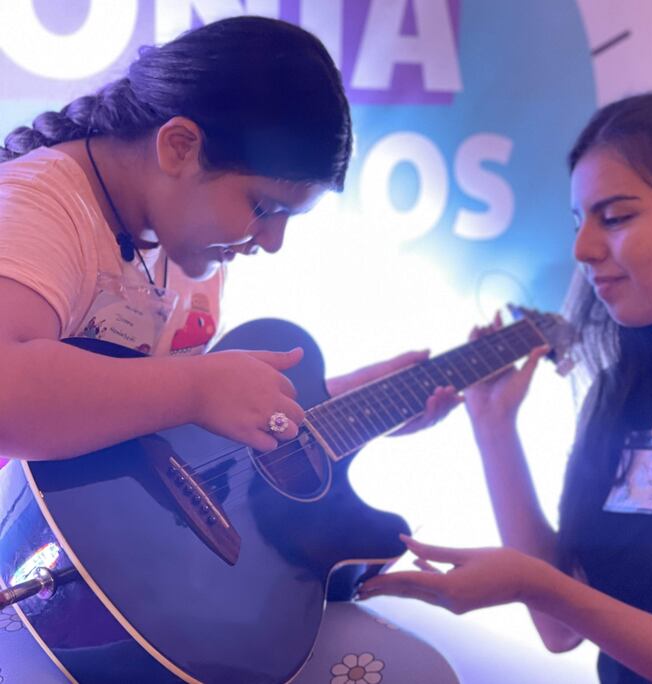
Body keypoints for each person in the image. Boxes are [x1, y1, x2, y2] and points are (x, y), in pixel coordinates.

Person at [0, 16, 460, 683]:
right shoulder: (39, 205)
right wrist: (199, 387)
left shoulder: (185, 241)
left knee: (414, 670)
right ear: (180, 146)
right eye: (265, 207)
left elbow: (172, 432)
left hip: (109, 589)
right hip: (24, 590)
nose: (270, 242)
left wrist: (331, 406)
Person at [359, 89, 652, 683]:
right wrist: (494, 427)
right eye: (579, 222)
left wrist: (535, 584)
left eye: (616, 217)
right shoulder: (623, 393)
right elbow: (559, 628)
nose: (583, 250)